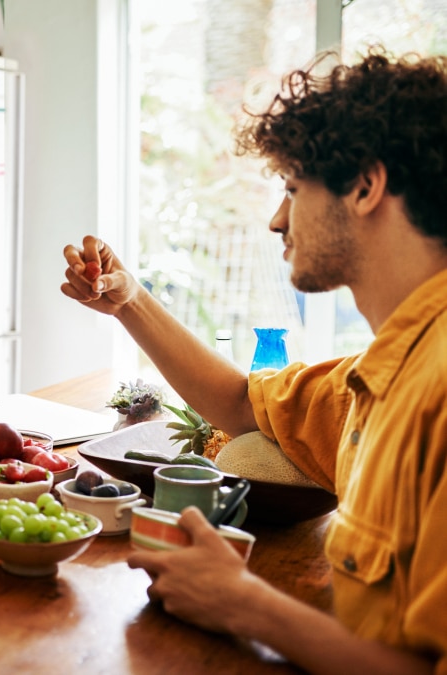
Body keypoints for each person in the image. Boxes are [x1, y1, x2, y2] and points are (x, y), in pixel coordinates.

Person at [61, 48, 446, 675]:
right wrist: (129, 301)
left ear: (366, 186)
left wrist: (244, 604)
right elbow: (243, 403)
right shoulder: (387, 374)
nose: (276, 219)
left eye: (293, 189)